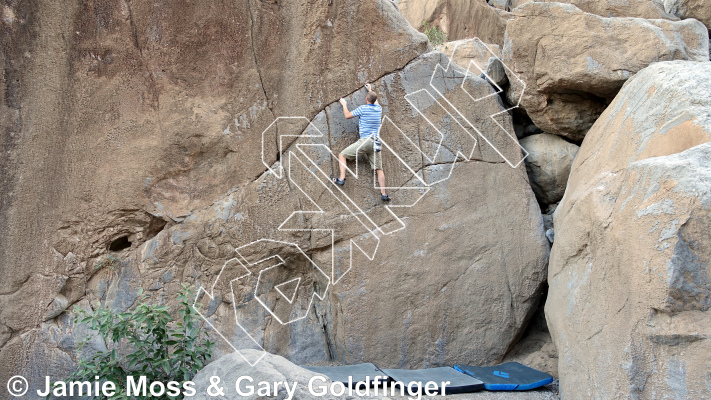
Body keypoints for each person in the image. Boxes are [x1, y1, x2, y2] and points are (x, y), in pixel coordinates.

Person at [333, 83, 391, 202]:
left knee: (342, 155)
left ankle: (342, 178)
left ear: (366, 99)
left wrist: (344, 104)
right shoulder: (379, 109)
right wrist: (370, 90)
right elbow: (376, 101)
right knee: (379, 169)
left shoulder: (363, 109)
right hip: (376, 143)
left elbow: (348, 115)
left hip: (365, 141)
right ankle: (384, 194)